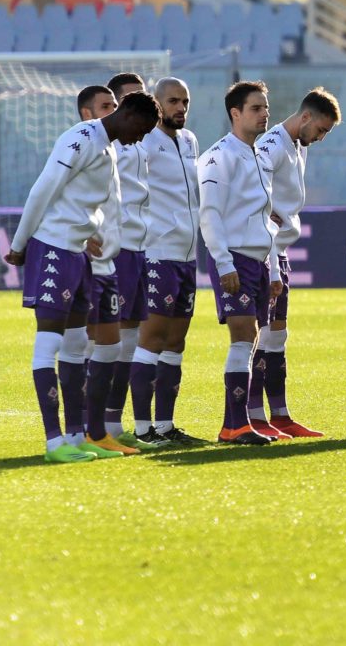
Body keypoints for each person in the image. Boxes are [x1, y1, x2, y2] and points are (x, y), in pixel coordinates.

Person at [5, 88, 158, 463]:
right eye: (144, 128)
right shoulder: (81, 138)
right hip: (53, 248)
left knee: (75, 347)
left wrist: (99, 235)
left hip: (77, 254)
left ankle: (77, 436)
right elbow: (45, 188)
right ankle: (54, 442)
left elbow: (91, 205)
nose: (142, 137)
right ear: (130, 116)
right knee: (49, 344)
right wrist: (20, 243)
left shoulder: (107, 147)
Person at [250, 87, 342, 439]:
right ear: (305, 117)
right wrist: (271, 261)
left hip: (280, 249)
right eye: (320, 129)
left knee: (278, 335)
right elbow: (261, 208)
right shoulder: (271, 146)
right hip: (264, 249)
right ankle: (255, 416)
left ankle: (280, 414)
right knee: (261, 337)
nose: (320, 138)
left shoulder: (297, 145)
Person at [198, 80, 283, 445]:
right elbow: (209, 213)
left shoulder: (258, 155)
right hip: (234, 258)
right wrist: (223, 262)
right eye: (256, 108)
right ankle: (234, 424)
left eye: (265, 107)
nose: (265, 114)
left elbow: (267, 219)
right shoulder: (219, 156)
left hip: (258, 261)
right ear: (235, 113)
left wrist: (275, 269)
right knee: (243, 336)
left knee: (251, 339)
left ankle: (240, 422)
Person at [131, 77, 203, 446]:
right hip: (158, 252)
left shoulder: (189, 141)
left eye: (185, 102)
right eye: (173, 101)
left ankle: (165, 425)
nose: (181, 109)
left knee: (176, 342)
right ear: (157, 104)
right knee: (152, 338)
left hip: (188, 256)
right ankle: (142, 428)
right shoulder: (144, 141)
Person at [102, 72, 150, 448]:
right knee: (103, 339)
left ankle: (114, 424)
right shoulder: (105, 145)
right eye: (130, 99)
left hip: (141, 249)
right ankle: (91, 424)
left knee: (130, 340)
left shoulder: (145, 144)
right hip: (113, 251)